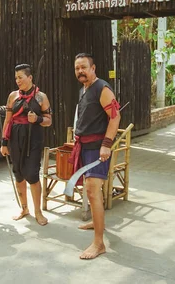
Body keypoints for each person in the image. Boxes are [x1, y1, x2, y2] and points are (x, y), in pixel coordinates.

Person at [70, 53, 121, 260]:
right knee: (91, 192)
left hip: (97, 148)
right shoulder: (85, 89)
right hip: (85, 146)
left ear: (93, 68)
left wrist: (106, 145)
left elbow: (115, 117)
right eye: (77, 68)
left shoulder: (102, 88)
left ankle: (99, 244)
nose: (80, 71)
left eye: (83, 67)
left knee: (92, 192)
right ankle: (96, 221)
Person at [0, 64, 52, 226]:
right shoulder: (13, 96)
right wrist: (4, 142)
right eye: (16, 78)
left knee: (32, 175)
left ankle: (38, 212)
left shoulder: (41, 97)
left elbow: (49, 121)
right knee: (19, 174)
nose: (17, 81)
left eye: (20, 77)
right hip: (15, 138)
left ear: (30, 78)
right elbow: (8, 120)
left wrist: (36, 119)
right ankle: (24, 208)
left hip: (33, 139)